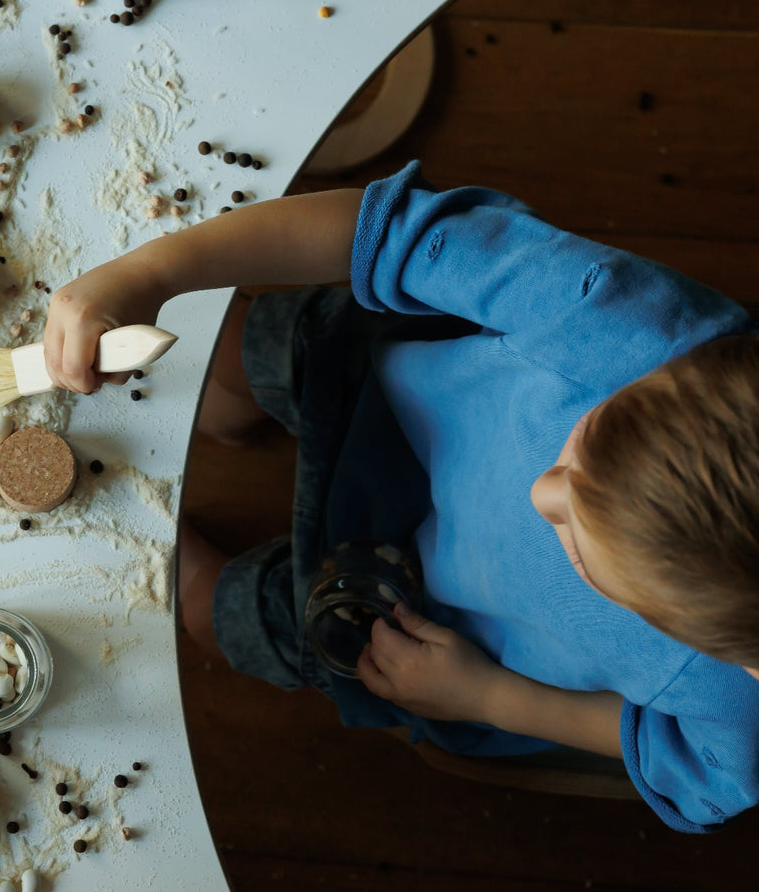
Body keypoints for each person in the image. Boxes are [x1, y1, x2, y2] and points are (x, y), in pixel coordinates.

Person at [40, 161, 759, 832]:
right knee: (252, 350)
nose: (541, 490)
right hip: (375, 391)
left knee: (224, 610)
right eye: (584, 442)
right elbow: (380, 232)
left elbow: (696, 771)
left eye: (578, 545)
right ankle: (231, 405)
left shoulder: (737, 699)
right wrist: (151, 270)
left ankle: (178, 562)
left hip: (420, 621)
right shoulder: (626, 324)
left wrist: (484, 698)